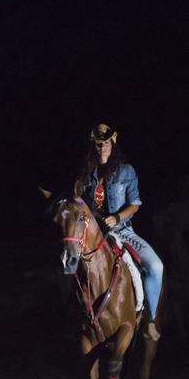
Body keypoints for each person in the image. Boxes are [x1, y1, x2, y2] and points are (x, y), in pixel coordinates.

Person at [76, 122, 164, 340]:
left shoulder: (127, 170)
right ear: (93, 146)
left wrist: (116, 217)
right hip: (94, 234)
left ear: (112, 143)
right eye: (98, 144)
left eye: (106, 143)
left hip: (122, 231)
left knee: (155, 266)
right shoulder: (86, 174)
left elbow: (135, 204)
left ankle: (149, 319)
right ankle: (73, 318)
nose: (102, 147)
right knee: (68, 263)